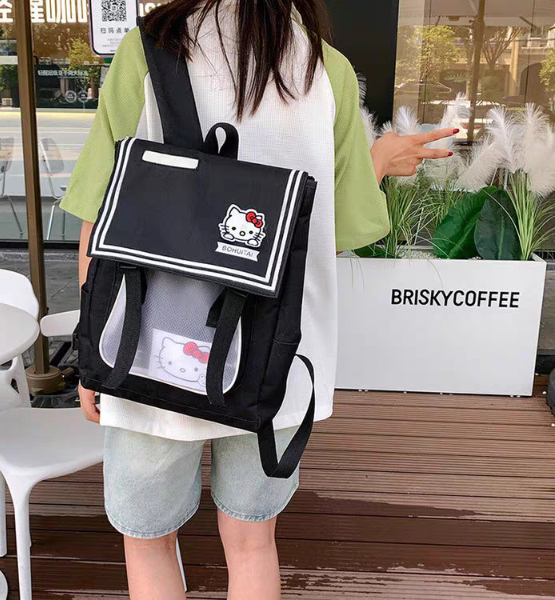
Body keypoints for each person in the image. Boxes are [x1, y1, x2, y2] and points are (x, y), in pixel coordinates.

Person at [60, 1, 456, 598]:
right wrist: (379, 160)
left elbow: (102, 217)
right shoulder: (325, 69)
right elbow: (329, 234)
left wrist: (92, 352)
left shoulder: (150, 48)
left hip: (146, 343)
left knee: (148, 542)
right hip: (274, 354)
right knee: (252, 543)